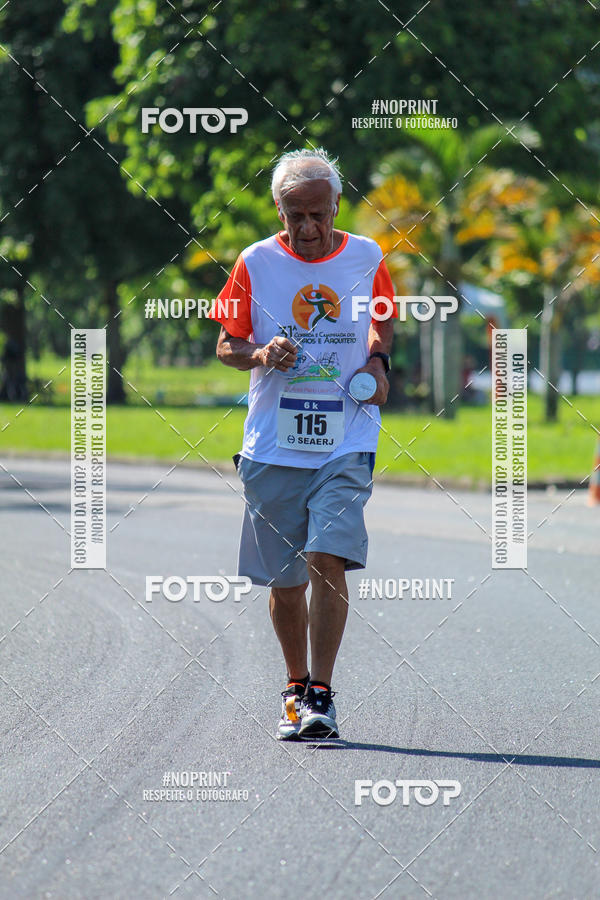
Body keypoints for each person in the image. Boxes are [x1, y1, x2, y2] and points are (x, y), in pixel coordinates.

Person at [210, 148, 396, 740]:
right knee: (286, 583)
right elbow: (226, 344)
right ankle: (294, 684)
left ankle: (321, 692)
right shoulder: (254, 263)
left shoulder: (367, 257)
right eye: (297, 215)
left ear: (337, 205)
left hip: (347, 437)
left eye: (320, 213)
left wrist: (378, 359)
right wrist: (260, 354)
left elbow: (382, 318)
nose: (310, 227)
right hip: (273, 446)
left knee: (328, 555)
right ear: (279, 209)